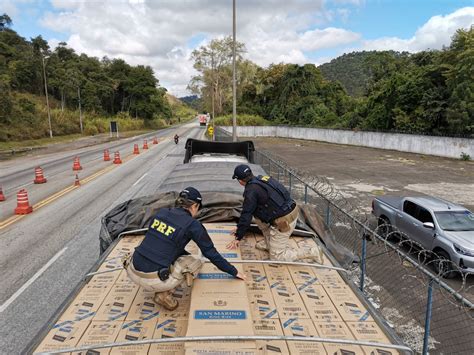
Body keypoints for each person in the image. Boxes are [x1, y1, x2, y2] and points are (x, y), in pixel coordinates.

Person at [124, 187, 245, 311]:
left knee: (168, 249)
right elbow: (210, 253)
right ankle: (164, 294)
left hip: (132, 269)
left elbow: (161, 240)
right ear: (195, 206)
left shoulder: (161, 213)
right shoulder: (193, 225)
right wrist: (233, 271)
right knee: (197, 261)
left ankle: (161, 285)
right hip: (154, 280)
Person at [227, 164, 324, 263]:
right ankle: (269, 244)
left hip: (284, 222)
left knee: (277, 258)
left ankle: (312, 252)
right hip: (291, 210)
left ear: (240, 181)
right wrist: (240, 227)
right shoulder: (262, 179)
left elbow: (246, 214)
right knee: (257, 214)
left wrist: (238, 237)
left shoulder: (251, 192)